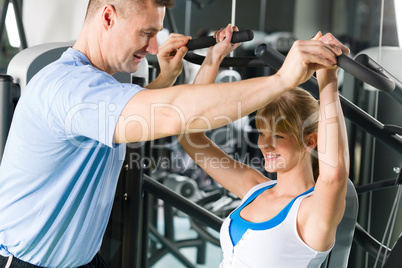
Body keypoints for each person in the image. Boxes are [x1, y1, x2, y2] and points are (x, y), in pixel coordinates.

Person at [0, 0, 344, 267]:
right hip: (34, 263)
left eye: (155, 35)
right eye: (146, 33)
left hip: (83, 260)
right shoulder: (69, 88)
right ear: (108, 17)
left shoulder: (97, 86)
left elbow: (133, 125)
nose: (152, 47)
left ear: (310, 139)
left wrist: (194, 67)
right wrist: (282, 79)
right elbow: (173, 120)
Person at [178, 31, 350, 267]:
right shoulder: (254, 188)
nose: (264, 144)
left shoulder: (310, 212)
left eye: (278, 135)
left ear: (311, 141)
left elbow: (334, 174)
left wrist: (327, 78)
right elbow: (190, 136)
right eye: (262, 133)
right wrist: (212, 59)